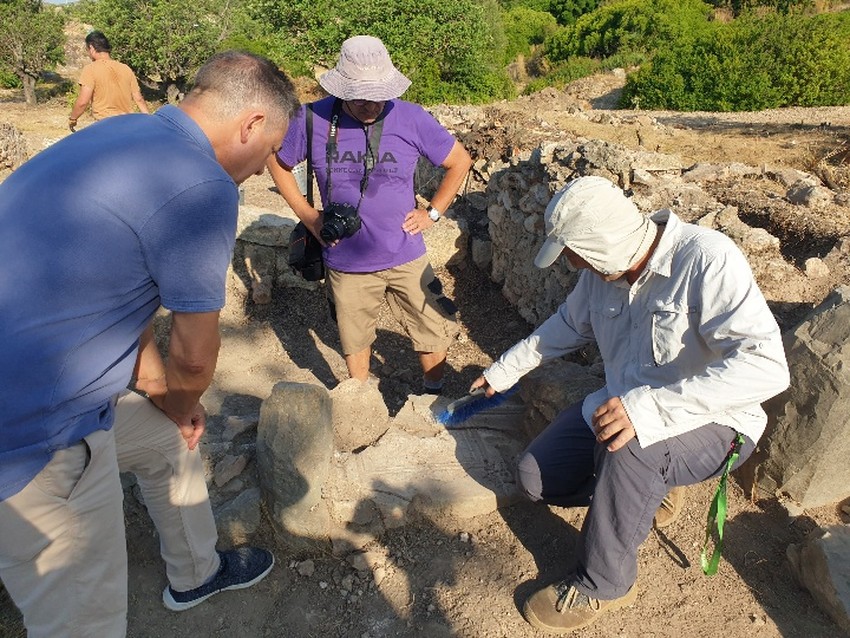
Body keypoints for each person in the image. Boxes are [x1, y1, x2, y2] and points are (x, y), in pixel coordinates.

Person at [0, 51, 300, 637]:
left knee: (168, 438)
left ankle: (196, 572)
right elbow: (195, 354)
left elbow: (120, 288)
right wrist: (184, 397)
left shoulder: (119, 136)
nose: (266, 171)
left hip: (28, 385)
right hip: (33, 435)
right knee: (85, 624)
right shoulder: (203, 186)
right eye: (269, 154)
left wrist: (164, 397)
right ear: (251, 126)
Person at [471, 176, 790, 633]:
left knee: (631, 448)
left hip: (718, 422)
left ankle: (605, 583)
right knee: (533, 478)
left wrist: (649, 410)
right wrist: (504, 370)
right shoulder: (601, 275)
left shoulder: (707, 259)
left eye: (576, 254)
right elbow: (566, 325)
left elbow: (766, 369)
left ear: (602, 246)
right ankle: (641, 495)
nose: (572, 264)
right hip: (623, 408)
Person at [268, 35, 473, 394]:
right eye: (362, 96)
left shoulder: (410, 117)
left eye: (380, 94)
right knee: (353, 336)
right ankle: (361, 401)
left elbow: (459, 161)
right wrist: (308, 214)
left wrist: (433, 213)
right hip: (345, 259)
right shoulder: (312, 118)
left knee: (431, 327)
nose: (372, 105)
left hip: (406, 253)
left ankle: (433, 393)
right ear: (342, 89)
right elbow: (278, 162)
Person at [68, 30, 149, 131]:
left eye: (87, 50)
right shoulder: (126, 68)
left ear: (92, 48)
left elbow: (83, 102)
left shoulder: (90, 69)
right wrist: (149, 121)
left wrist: (73, 119)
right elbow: (139, 99)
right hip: (126, 125)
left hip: (105, 126)